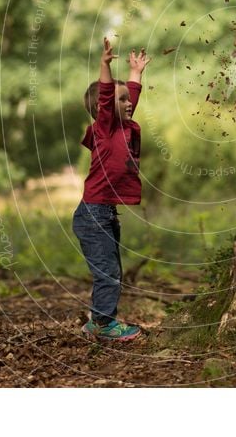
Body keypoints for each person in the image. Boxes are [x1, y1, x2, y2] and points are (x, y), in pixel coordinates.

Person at [73, 38, 150, 341]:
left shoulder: (126, 127)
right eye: (121, 101)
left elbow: (128, 94)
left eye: (127, 100)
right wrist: (104, 65)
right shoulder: (105, 129)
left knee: (111, 268)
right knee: (108, 272)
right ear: (104, 108)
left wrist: (136, 73)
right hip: (94, 214)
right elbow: (109, 96)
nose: (129, 102)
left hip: (103, 213)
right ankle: (104, 326)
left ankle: (99, 320)